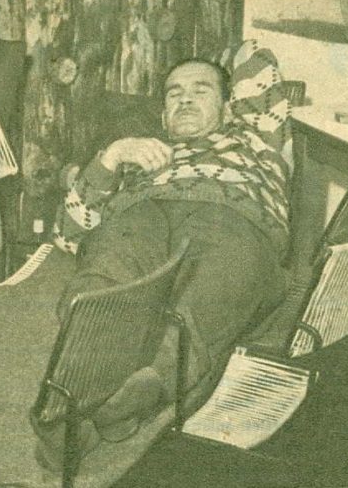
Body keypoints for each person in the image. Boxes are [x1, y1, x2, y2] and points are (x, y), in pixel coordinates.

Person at [34, 40, 292, 465]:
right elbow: (66, 234)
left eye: (201, 91)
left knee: (217, 273)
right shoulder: (139, 157)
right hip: (144, 209)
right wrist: (113, 155)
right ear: (162, 115)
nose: (185, 99)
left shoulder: (256, 137)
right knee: (110, 260)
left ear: (230, 107)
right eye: (174, 94)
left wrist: (212, 61)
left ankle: (149, 384)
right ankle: (74, 395)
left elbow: (254, 56)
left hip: (231, 214)